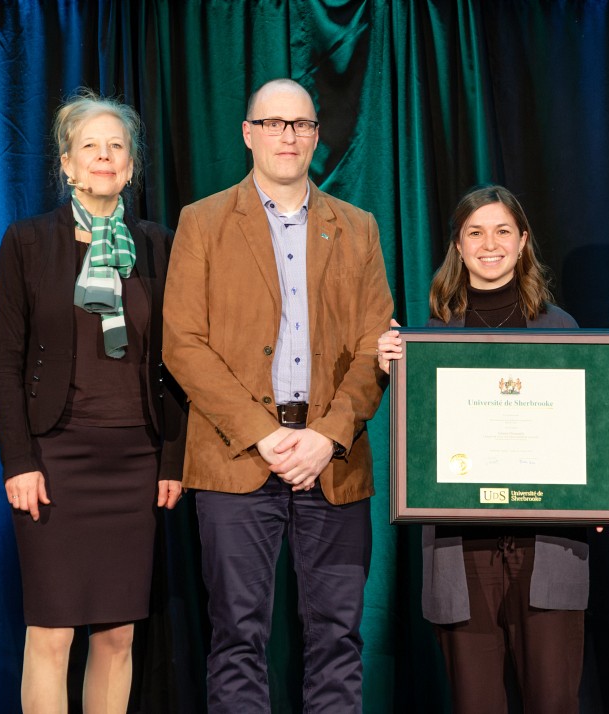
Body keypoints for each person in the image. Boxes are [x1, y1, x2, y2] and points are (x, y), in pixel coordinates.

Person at [161, 78, 393, 713]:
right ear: (248, 133)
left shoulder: (359, 228)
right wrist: (264, 435)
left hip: (334, 462)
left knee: (338, 640)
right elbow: (182, 343)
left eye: (300, 124)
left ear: (317, 135)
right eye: (273, 123)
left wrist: (326, 436)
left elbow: (378, 345)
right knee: (236, 639)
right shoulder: (202, 222)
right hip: (236, 460)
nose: (287, 136)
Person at [0, 89, 186, 713]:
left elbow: (181, 362)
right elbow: (4, 364)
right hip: (53, 459)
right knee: (50, 632)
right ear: (67, 163)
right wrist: (19, 461)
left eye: (117, 146)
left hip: (134, 458)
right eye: (89, 146)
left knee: (119, 633)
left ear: (130, 166)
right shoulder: (27, 242)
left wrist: (173, 460)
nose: (104, 156)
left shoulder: (159, 244)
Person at [377, 185, 588, 713]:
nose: (489, 244)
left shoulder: (564, 331)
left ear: (522, 243)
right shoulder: (426, 340)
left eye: (502, 231)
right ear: (458, 245)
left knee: (554, 702)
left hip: (548, 546)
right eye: (475, 232)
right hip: (460, 547)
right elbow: (417, 448)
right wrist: (389, 373)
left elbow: (590, 441)